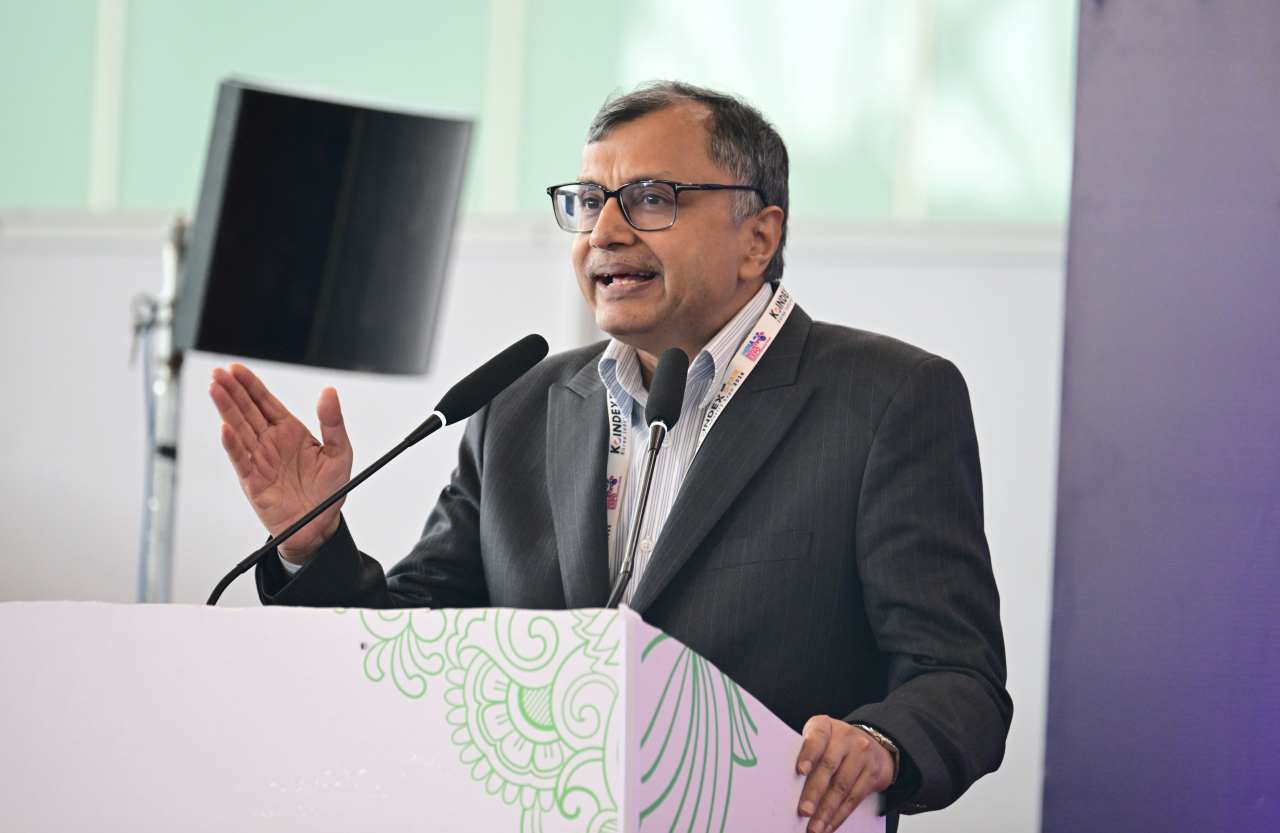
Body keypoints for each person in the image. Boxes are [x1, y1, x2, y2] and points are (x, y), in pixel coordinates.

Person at [209, 81, 1011, 833]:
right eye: (589, 202)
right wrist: (312, 544)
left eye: (652, 199)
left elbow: (959, 679)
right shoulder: (519, 405)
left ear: (758, 237)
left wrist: (879, 739)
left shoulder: (889, 399)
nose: (605, 231)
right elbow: (416, 656)